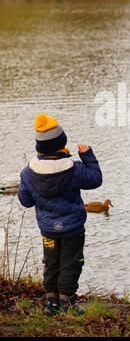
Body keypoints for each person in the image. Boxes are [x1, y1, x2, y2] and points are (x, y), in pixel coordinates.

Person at [18, 113, 102, 315]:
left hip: (48, 230)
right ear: (62, 143)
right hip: (72, 229)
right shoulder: (74, 169)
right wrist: (87, 155)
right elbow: (96, 179)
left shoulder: (28, 173)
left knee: (51, 262)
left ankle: (51, 303)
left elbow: (25, 201)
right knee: (71, 263)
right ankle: (66, 301)